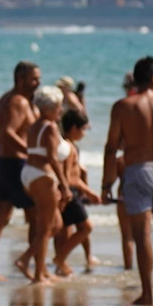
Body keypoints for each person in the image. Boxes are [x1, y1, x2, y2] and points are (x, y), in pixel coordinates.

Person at [100, 56, 153, 305]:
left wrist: (107, 184)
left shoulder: (123, 107)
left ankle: (148, 294)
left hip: (137, 170)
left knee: (142, 235)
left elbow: (110, 148)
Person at [0, 62, 40, 280]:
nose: (38, 82)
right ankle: (34, 268)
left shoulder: (8, 98)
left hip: (4, 164)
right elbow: (8, 133)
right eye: (34, 78)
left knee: (1, 218)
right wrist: (32, 153)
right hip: (16, 165)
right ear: (20, 79)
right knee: (37, 217)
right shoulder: (18, 101)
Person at [19, 85, 70, 285]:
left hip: (29, 174)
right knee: (45, 227)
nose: (61, 110)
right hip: (43, 176)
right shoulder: (50, 127)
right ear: (49, 108)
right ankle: (38, 274)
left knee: (54, 224)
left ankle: (30, 262)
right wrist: (64, 186)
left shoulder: (34, 125)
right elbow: (52, 157)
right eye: (58, 106)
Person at [53, 108, 101, 276]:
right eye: (82, 129)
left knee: (63, 230)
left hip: (64, 191)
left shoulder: (66, 145)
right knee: (86, 227)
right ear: (73, 128)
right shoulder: (68, 148)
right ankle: (59, 259)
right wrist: (89, 192)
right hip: (68, 192)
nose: (84, 133)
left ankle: (61, 263)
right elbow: (70, 178)